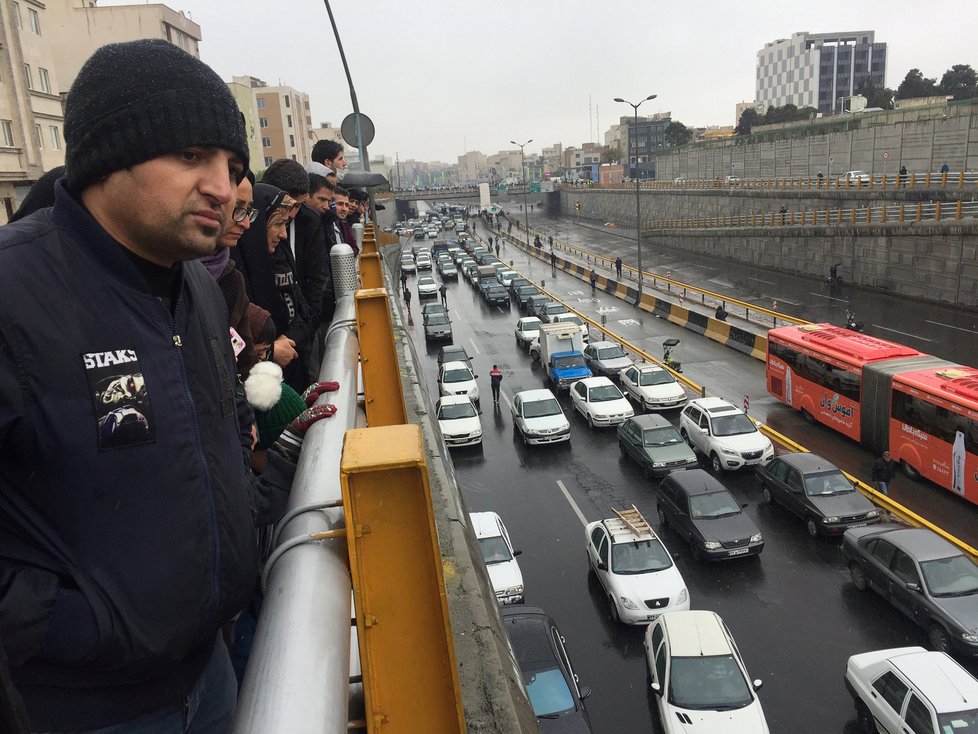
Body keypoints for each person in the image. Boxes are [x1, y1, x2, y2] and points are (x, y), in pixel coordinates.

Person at [0, 39, 267, 733]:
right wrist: (52, 624)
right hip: (82, 706)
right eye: (190, 156)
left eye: (231, 166)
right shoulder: (14, 296)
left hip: (209, 675)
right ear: (107, 155)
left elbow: (222, 433)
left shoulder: (198, 293)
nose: (224, 187)